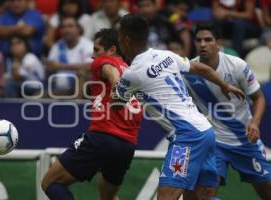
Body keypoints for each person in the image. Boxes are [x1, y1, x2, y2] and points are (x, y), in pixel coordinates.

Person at [113, 14, 245, 200]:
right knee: (200, 198)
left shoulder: (132, 74)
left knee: (166, 197)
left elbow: (116, 104)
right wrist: (225, 85)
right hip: (206, 130)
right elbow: (203, 69)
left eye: (118, 37)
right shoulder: (165, 55)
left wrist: (113, 75)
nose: (118, 42)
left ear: (126, 39)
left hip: (186, 137)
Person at [41, 28, 143, 200]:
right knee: (109, 197)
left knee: (50, 183)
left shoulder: (102, 63)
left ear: (111, 50)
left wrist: (117, 86)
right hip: (127, 146)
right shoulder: (133, 74)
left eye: (97, 50)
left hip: (102, 137)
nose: (93, 56)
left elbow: (111, 72)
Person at [183, 22, 271, 199]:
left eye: (208, 40)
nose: (202, 44)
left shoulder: (237, 65)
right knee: (203, 195)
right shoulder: (188, 72)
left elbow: (259, 98)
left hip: (244, 140)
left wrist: (255, 122)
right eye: (198, 40)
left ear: (218, 43)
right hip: (213, 144)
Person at [47, 16, 93, 98]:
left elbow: (89, 66)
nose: (67, 30)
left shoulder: (87, 44)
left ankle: (77, 106)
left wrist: (61, 66)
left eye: (70, 26)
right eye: (63, 27)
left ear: (79, 29)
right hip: (59, 89)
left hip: (81, 87)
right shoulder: (57, 46)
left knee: (82, 74)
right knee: (37, 94)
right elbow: (50, 65)